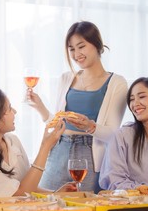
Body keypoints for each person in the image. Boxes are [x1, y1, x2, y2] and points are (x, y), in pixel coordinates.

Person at [27, 21, 128, 193]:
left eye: (81, 46)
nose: (76, 54)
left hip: (90, 154)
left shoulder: (117, 83)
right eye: (71, 49)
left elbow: (113, 133)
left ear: (97, 45)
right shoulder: (66, 78)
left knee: (83, 209)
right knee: (46, 204)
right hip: (59, 149)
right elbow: (58, 122)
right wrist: (40, 108)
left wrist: (90, 126)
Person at [0, 86, 75, 204]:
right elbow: (20, 193)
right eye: (9, 109)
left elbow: (27, 186)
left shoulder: (12, 141)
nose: (14, 111)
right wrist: (45, 147)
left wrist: (55, 193)